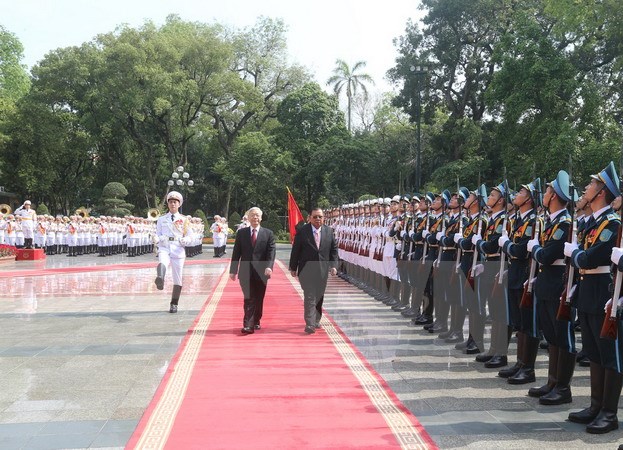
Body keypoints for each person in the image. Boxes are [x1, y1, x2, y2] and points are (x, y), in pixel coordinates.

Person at [289, 207, 339, 334]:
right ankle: (310, 323)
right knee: (310, 296)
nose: (318, 219)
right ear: (310, 218)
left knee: (319, 296)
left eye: (320, 217)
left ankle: (316, 319)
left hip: (322, 270)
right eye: (315, 217)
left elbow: (333, 250)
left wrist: (334, 265)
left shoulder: (329, 231)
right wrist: (293, 267)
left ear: (324, 218)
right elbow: (296, 250)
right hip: (306, 270)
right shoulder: (302, 231)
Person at [229, 207, 276, 334]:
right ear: (248, 218)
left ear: (261, 218)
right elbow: (236, 252)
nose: (255, 217)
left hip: (262, 272)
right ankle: (248, 324)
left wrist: (269, 267)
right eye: (252, 215)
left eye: (257, 215)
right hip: (245, 271)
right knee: (249, 297)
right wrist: (233, 270)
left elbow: (271, 252)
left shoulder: (268, 234)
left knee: (259, 297)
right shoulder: (242, 233)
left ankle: (256, 320)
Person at [155, 191, 193, 313]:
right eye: (170, 202)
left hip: (178, 248)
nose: (172, 204)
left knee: (178, 278)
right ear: (168, 203)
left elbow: (190, 235)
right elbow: (158, 233)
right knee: (162, 261)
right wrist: (156, 238)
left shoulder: (184, 219)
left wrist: (185, 240)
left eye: (175, 202)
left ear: (179, 204)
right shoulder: (161, 219)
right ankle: (160, 278)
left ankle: (174, 303)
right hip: (165, 246)